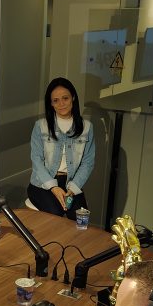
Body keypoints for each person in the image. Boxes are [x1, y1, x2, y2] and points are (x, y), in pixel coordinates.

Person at [28, 77, 95, 220]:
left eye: (65, 98)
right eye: (56, 100)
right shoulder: (41, 126)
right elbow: (36, 160)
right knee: (56, 214)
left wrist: (74, 188)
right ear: (51, 103)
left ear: (73, 98)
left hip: (72, 182)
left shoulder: (87, 127)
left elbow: (88, 162)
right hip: (42, 183)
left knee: (80, 218)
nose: (61, 104)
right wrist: (53, 187)